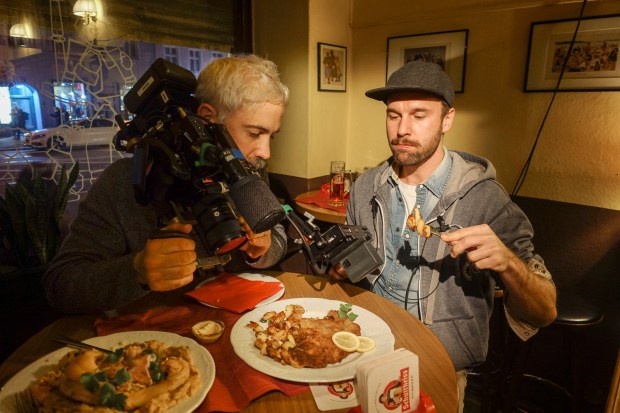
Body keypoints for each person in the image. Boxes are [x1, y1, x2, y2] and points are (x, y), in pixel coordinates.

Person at [332, 60, 557, 412]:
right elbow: (353, 269)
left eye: (419, 115)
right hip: (365, 346)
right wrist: (340, 268)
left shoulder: (485, 199)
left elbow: (544, 311)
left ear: (447, 119)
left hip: (439, 362)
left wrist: (509, 264)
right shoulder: (365, 188)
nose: (402, 129)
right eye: (394, 115)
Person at [44, 55, 290, 314]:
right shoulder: (123, 182)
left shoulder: (247, 171)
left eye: (271, 135)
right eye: (254, 133)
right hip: (154, 338)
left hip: (237, 327)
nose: (265, 152)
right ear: (208, 118)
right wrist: (136, 271)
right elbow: (61, 286)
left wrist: (262, 249)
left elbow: (279, 238)